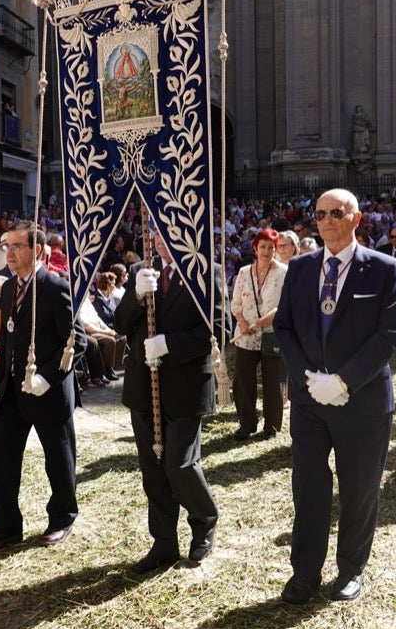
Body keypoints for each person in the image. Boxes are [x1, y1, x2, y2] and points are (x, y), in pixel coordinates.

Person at [273, 188, 396, 605]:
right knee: (308, 487)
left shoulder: (386, 270)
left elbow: (390, 335)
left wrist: (343, 381)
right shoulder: (299, 268)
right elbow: (284, 328)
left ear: (356, 217)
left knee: (359, 488)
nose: (327, 220)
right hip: (311, 400)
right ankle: (305, 573)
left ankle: (350, 570)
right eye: (320, 214)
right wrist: (307, 378)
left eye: (336, 212)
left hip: (362, 400)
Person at [0, 220, 85, 551]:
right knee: (2, 456)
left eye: (16, 246)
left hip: (47, 390)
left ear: (36, 250)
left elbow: (76, 342)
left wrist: (47, 377)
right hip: (13, 390)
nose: (9, 252)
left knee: (58, 457)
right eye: (6, 246)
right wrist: (1, 383)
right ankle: (5, 525)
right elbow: (8, 340)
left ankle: (62, 517)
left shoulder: (55, 286)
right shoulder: (7, 289)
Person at [114, 228, 222, 573]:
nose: (160, 239)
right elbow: (119, 323)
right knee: (153, 469)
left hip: (186, 383)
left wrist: (169, 344)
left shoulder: (206, 271)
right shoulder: (139, 273)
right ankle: (163, 543)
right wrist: (135, 294)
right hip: (143, 383)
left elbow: (217, 327)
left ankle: (204, 520)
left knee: (180, 463)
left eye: (167, 230)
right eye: (154, 233)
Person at [230, 228, 287, 440]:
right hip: (246, 336)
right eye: (262, 246)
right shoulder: (244, 273)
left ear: (276, 249)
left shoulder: (284, 272)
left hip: (272, 335)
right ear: (255, 248)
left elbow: (288, 305)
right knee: (243, 381)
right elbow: (235, 303)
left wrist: (272, 318)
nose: (266, 251)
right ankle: (247, 423)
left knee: (274, 382)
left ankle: (271, 427)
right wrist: (242, 322)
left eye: (271, 247)